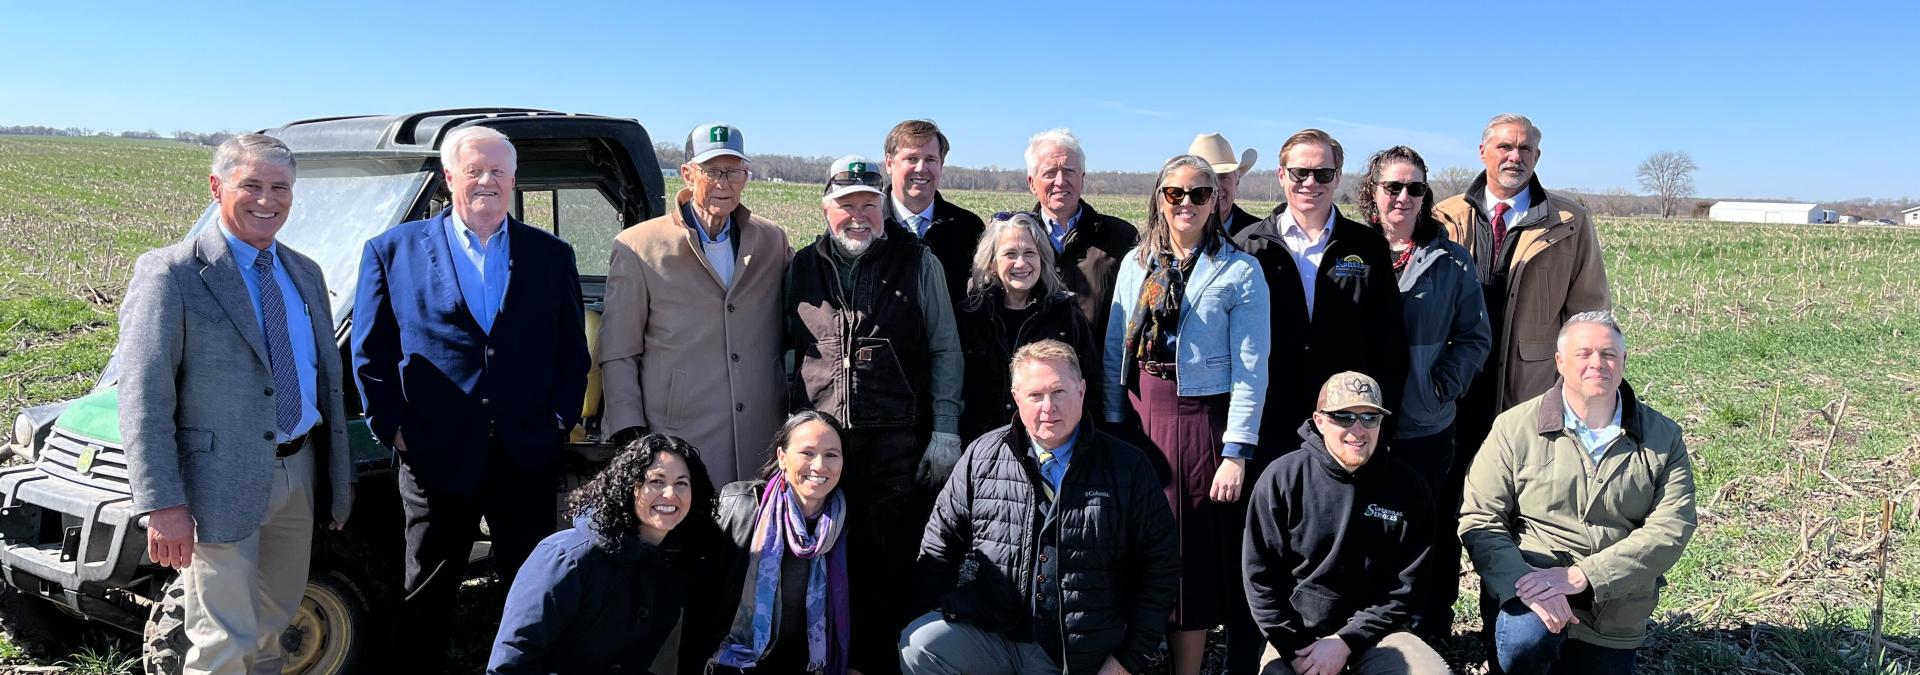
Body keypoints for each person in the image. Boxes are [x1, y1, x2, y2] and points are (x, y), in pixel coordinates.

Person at [351, 125, 591, 671]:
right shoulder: (392, 251)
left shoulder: (550, 254)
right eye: (474, 170)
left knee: (531, 587)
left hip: (525, 453)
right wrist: (394, 429)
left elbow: (571, 351)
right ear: (449, 177)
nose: (487, 181)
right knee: (427, 589)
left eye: (498, 172)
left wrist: (558, 419)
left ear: (513, 180)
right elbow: (371, 353)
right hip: (434, 454)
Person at [121, 134, 354, 674]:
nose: (267, 200)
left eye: (280, 187)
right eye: (251, 185)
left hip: (299, 471)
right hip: (214, 486)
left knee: (276, 631)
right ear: (216, 187)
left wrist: (335, 476)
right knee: (222, 641)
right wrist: (162, 503)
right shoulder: (172, 273)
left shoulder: (305, 272)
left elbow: (322, 381)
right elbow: (144, 396)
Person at [786, 155, 964, 674]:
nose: (858, 215)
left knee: (889, 573)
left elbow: (946, 350)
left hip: (895, 448)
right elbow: (786, 351)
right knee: (820, 568)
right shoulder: (802, 266)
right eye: (847, 205)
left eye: (869, 203)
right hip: (822, 451)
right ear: (826, 208)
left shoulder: (918, 262)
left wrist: (945, 431)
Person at [904, 340, 1178, 675]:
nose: (1049, 407)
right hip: (995, 634)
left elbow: (1161, 568)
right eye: (1035, 395)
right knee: (921, 645)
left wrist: (1127, 661)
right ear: (1016, 398)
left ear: (1081, 391)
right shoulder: (981, 455)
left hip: (1079, 653)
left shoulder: (1128, 466)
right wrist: (946, 607)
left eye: (1059, 392)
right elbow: (939, 546)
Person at [1104, 154, 1270, 675]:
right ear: (1159, 198)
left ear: (1216, 201)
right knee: (1135, 537)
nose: (1187, 203)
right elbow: (1114, 351)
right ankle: (1136, 654)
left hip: (1200, 416)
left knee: (1187, 551)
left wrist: (1236, 452)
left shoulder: (1239, 269)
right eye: (1175, 193)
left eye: (1200, 193)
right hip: (1139, 412)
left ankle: (1187, 669)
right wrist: (1112, 423)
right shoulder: (1135, 264)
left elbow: (1251, 368)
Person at [1459, 311, 1696, 675]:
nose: (1597, 363)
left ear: (1623, 361)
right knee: (1524, 645)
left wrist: (1584, 576)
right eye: (1583, 353)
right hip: (1532, 586)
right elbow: (1480, 517)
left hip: (1615, 606)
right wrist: (1524, 585)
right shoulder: (1513, 427)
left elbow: (1671, 528)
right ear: (1560, 362)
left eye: (1608, 354)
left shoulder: (1664, 437)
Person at [599, 122, 790, 483]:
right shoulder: (639, 247)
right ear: (687, 174)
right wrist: (629, 430)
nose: (724, 183)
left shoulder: (771, 241)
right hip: (679, 440)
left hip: (761, 438)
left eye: (734, 171)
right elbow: (619, 349)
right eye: (712, 171)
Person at [1356, 145, 1492, 637]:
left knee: (1426, 526)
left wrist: (1439, 387)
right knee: (1363, 526)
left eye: (1414, 187)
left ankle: (1428, 627)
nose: (1403, 196)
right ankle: (1364, 628)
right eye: (1392, 186)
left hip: (1423, 423)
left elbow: (1475, 337)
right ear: (1372, 191)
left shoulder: (1450, 261)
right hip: (1357, 423)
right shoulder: (1350, 250)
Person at [1242, 372, 1450, 675]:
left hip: (1378, 633)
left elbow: (1408, 588)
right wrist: (1296, 653)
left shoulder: (1409, 487)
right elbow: (1259, 580)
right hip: (1298, 634)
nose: (1358, 429)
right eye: (1344, 417)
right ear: (1319, 421)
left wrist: (1346, 641)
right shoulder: (1282, 478)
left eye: (1370, 417)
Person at [1231, 128, 1407, 452]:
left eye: (1323, 173)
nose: (1310, 183)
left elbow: (1390, 343)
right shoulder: (1247, 246)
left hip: (1346, 421)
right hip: (1268, 419)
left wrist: (1380, 423)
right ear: (1281, 175)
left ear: (1337, 177)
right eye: (1300, 172)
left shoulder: (1368, 247)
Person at [488, 434, 719, 674]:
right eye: (656, 481)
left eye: (682, 483)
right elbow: (511, 664)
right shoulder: (566, 557)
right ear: (630, 486)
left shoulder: (676, 562)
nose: (670, 494)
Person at [684, 411, 884, 675]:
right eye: (807, 453)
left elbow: (870, 606)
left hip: (814, 665)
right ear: (782, 457)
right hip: (740, 662)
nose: (819, 466)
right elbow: (701, 602)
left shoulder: (854, 521)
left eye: (831, 455)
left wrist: (858, 667)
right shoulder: (742, 506)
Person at [955, 211, 1101, 442]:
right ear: (991, 263)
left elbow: (1090, 384)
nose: (1021, 263)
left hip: (1049, 444)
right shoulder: (969, 316)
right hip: (982, 442)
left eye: (1030, 253)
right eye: (1010, 254)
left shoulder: (1066, 314)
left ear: (1042, 258)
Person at [1024, 128, 1139, 347]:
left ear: (1082, 178)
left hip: (1098, 366)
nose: (1060, 181)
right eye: (1049, 173)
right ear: (1031, 182)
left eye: (1069, 171)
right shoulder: (1017, 238)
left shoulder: (1121, 238)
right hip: (1031, 367)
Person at [883, 119, 985, 309]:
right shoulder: (868, 226)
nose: (921, 168)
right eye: (912, 159)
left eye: (930, 159)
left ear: (941, 165)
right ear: (889, 163)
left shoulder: (969, 228)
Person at [1187, 132, 1263, 237]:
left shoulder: (1260, 236)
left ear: (1237, 181)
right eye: (1207, 178)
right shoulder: (1173, 234)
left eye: (1223, 177)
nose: (1216, 187)